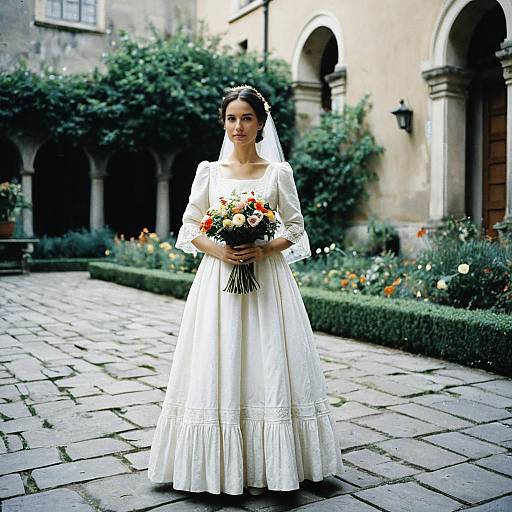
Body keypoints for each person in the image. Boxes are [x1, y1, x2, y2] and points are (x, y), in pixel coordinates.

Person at [147, 85, 344, 496]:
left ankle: (273, 464)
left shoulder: (278, 173)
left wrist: (262, 247)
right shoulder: (208, 172)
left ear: (260, 123)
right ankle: (215, 464)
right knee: (218, 359)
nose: (239, 126)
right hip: (217, 284)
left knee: (266, 360)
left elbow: (295, 229)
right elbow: (189, 227)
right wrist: (220, 249)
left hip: (267, 282)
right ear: (225, 123)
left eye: (247, 118)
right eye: (232, 118)